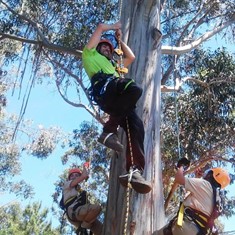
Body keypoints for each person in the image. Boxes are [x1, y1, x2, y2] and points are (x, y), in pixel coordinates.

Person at [82, 21, 152, 194]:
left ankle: (134, 171)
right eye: (104, 47)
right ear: (97, 48)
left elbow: (131, 57)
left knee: (136, 127)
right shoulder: (89, 55)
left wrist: (118, 42)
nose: (107, 50)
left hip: (115, 100)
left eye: (109, 49)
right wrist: (114, 26)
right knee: (134, 88)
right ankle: (109, 130)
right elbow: (99, 27)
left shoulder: (114, 66)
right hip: (105, 89)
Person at [156, 167, 231, 235]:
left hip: (185, 227)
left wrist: (181, 167)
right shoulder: (216, 198)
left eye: (209, 173)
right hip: (197, 231)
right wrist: (197, 177)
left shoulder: (205, 184)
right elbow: (192, 198)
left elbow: (178, 178)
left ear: (211, 175)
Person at [62, 166, 103, 235]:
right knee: (96, 208)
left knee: (103, 231)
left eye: (77, 175)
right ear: (69, 178)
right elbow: (84, 176)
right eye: (72, 176)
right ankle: (83, 228)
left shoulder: (80, 191)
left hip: (82, 215)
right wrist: (84, 167)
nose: (74, 177)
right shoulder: (67, 185)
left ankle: (84, 227)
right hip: (74, 212)